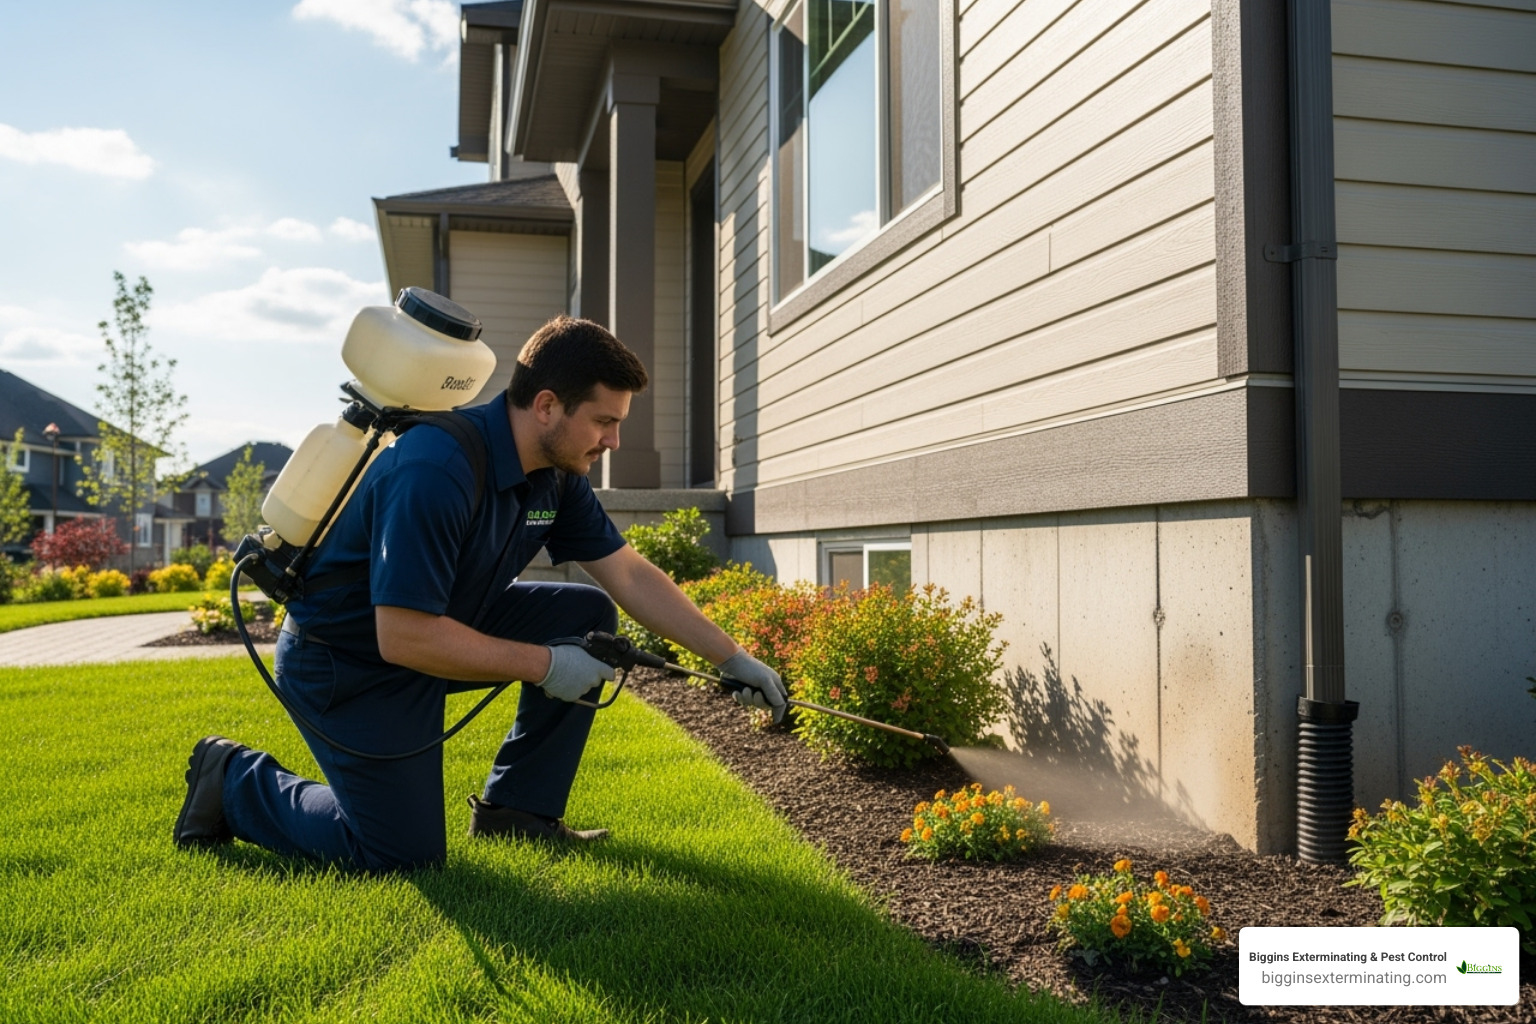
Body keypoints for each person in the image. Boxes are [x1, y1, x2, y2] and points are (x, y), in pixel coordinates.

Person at [172, 315, 786, 870]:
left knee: (588, 614)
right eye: (604, 421)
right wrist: (546, 664)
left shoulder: (555, 474)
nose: (613, 442)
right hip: (348, 662)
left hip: (437, 631)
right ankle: (232, 779)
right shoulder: (436, 469)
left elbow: (626, 574)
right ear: (547, 406)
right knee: (396, 855)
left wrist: (730, 658)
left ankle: (518, 813)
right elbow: (403, 633)